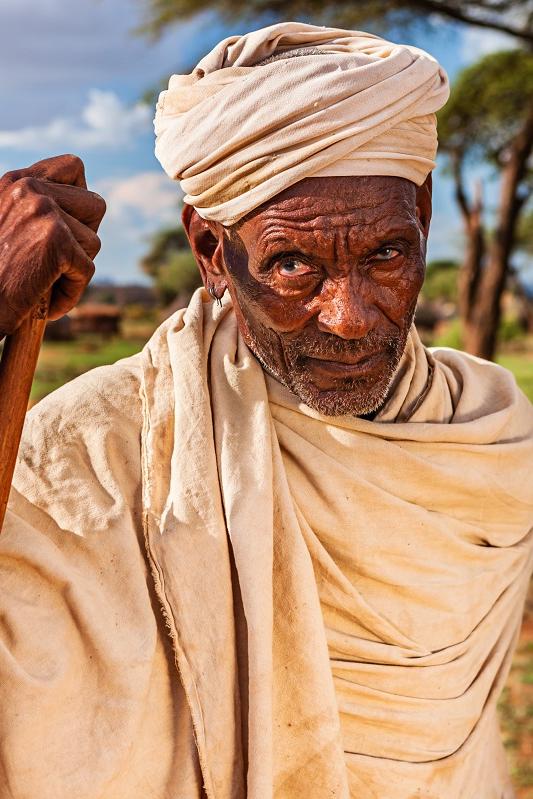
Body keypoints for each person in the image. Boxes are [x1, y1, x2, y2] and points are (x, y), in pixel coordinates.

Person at [1, 22, 532, 799]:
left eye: (387, 253)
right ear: (211, 253)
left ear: (421, 212)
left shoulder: (486, 435)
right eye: (292, 264)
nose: (350, 315)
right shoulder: (95, 450)